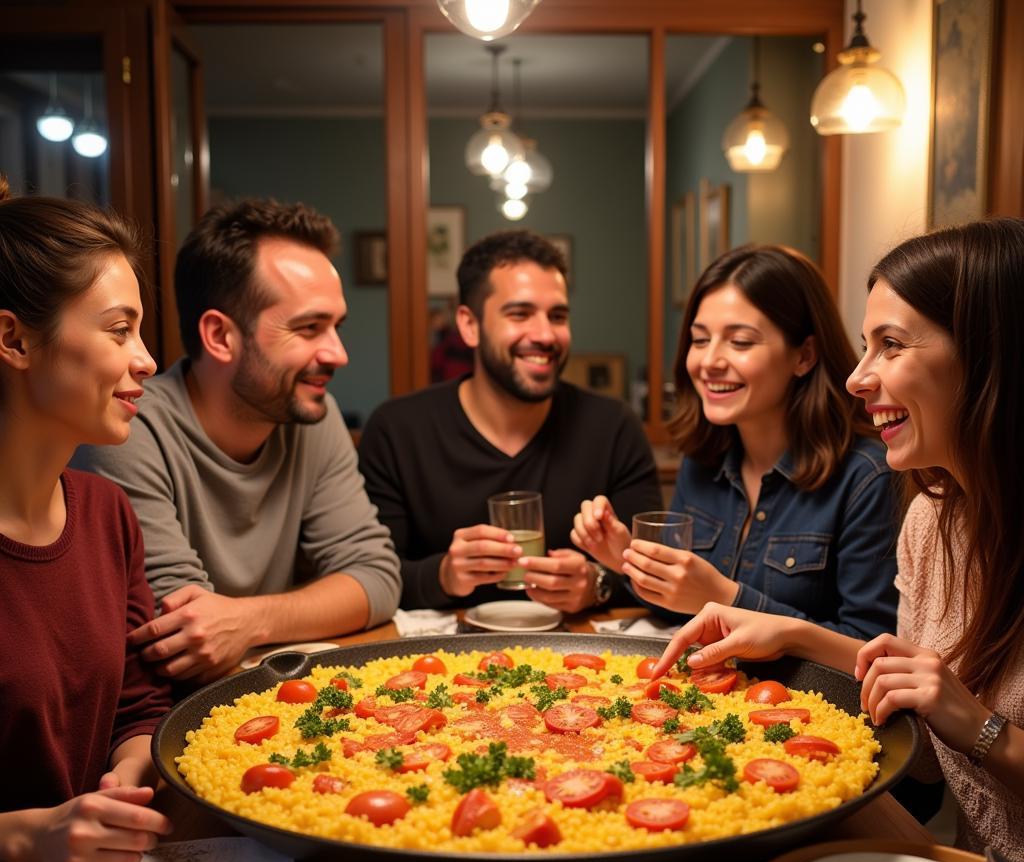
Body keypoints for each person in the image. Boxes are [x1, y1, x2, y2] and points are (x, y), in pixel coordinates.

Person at [653, 219, 1024, 862]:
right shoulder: (933, 520)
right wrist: (792, 634)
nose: (858, 377)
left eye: (891, 345)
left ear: (988, 355)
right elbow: (922, 727)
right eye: (864, 346)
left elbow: (952, 728)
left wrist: (982, 727)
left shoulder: (872, 481)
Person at [76, 199, 401, 686]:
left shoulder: (314, 412)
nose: (338, 354)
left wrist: (251, 620)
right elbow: (185, 630)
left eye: (337, 327)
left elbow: (376, 577)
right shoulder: (126, 427)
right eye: (309, 328)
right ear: (220, 335)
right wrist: (292, 612)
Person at [574, 244, 898, 639]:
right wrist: (627, 560)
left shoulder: (867, 476)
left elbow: (871, 648)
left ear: (805, 355)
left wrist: (724, 597)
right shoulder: (703, 459)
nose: (709, 361)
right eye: (699, 340)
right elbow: (682, 606)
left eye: (740, 342)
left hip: (805, 700)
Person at [0, 183, 173, 862]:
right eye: (118, 330)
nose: (147, 360)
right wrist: (30, 836)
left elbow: (139, 702)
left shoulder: (106, 512)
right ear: (14, 339)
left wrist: (128, 778)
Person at [358, 230, 660, 611]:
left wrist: (595, 583)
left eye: (558, 316)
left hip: (577, 659)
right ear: (469, 325)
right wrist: (444, 574)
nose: (545, 334)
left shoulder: (613, 427)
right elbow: (371, 577)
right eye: (520, 314)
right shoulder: (398, 430)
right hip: (436, 662)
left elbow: (652, 574)